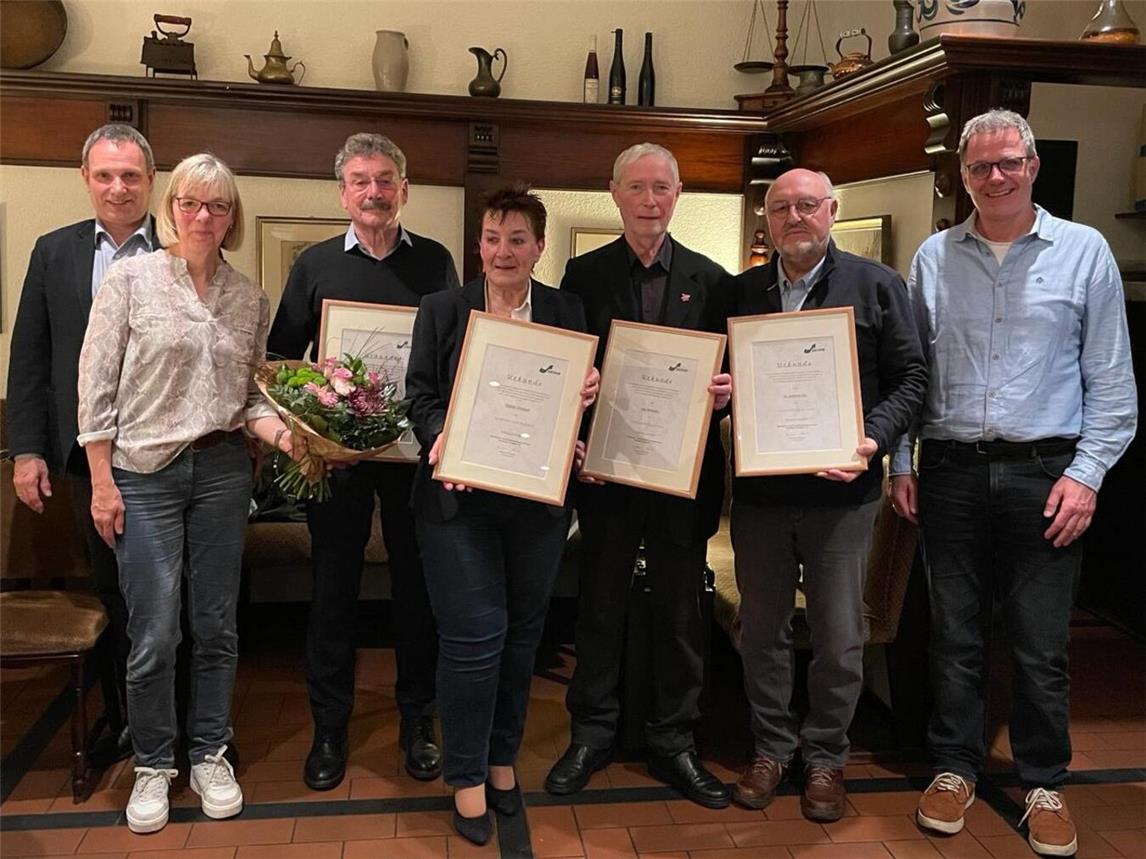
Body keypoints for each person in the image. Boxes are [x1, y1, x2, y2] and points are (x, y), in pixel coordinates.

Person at [889, 109, 1137, 857]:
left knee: (1039, 643)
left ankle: (1043, 780)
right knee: (954, 635)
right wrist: (902, 461)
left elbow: (1113, 383)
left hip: (1047, 474)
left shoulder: (1085, 252)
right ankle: (955, 767)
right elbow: (912, 373)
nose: (994, 177)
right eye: (979, 167)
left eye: (1008, 163)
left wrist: (1088, 476)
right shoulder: (933, 257)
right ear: (960, 175)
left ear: (1033, 165)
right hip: (952, 472)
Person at [76, 153, 299, 833]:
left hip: (225, 470)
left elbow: (250, 403)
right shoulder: (130, 281)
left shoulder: (249, 298)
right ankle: (153, 761)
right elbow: (95, 386)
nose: (204, 216)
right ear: (171, 207)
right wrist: (101, 480)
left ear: (232, 218)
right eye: (191, 203)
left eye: (219, 206)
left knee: (217, 624)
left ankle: (208, 751)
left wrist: (298, 439)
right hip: (144, 476)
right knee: (155, 626)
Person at [728, 168, 927, 820]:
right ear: (767, 217)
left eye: (807, 205)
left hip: (845, 497)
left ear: (832, 210)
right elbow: (715, 376)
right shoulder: (741, 293)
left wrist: (871, 438)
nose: (795, 217)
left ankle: (825, 758)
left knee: (841, 634)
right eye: (782, 207)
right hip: (760, 497)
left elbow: (912, 378)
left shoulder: (876, 286)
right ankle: (770, 749)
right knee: (760, 631)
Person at [406, 185, 599, 844]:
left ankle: (499, 758)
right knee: (474, 637)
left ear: (540, 246)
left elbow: (580, 406)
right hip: (458, 502)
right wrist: (438, 435)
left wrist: (583, 412)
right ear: (479, 243)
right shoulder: (442, 308)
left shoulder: (570, 312)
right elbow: (421, 396)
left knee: (522, 637)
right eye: (492, 237)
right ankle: (464, 774)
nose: (502, 250)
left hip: (538, 505)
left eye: (517, 239)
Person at [267, 132, 459, 791]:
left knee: (417, 592)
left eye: (385, 179)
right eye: (360, 180)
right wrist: (312, 408)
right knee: (332, 593)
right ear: (342, 192)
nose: (373, 191)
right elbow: (283, 359)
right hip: (338, 461)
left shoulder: (436, 263)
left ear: (404, 189)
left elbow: (454, 353)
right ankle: (329, 728)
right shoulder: (314, 264)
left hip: (413, 458)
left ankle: (418, 720)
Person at [545, 143, 734, 809]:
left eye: (662, 187)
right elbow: (568, 368)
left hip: (685, 479)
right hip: (611, 472)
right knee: (598, 603)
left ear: (678, 195)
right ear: (615, 194)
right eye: (638, 187)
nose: (651, 199)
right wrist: (583, 393)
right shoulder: (582, 276)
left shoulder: (715, 281)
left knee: (682, 611)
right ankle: (592, 732)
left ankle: (675, 740)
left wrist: (725, 393)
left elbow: (732, 382)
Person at [7, 124, 158, 767]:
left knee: (167, 594)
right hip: (82, 457)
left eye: (130, 176)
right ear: (86, 179)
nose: (118, 187)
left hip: (162, 455)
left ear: (152, 182)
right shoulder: (54, 252)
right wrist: (27, 450)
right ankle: (127, 719)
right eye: (105, 175)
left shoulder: (179, 252)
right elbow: (30, 357)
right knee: (115, 590)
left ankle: (172, 718)